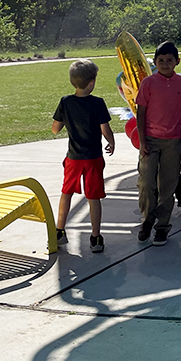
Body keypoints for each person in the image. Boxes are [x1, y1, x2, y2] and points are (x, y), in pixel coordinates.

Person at [51, 59, 116, 254]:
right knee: (93, 197)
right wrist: (111, 142)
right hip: (93, 158)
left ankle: (60, 231)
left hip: (73, 158)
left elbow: (55, 128)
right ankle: (96, 237)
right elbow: (105, 128)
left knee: (67, 192)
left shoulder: (65, 102)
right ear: (92, 82)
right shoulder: (97, 103)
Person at [134, 41, 181, 247]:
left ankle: (162, 227)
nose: (165, 64)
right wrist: (142, 141)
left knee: (167, 185)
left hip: (173, 141)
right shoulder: (148, 83)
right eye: (160, 61)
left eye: (169, 60)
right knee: (147, 183)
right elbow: (141, 112)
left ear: (177, 61)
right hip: (150, 139)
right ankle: (147, 220)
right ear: (155, 62)